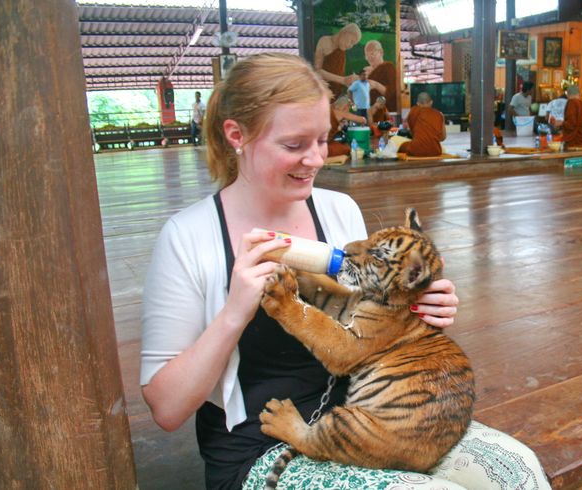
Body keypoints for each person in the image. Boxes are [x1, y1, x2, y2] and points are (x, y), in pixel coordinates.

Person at [141, 52, 550, 490]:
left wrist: (414, 305)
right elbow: (166, 408)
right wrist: (234, 313)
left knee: (518, 471)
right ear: (237, 135)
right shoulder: (188, 237)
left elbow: (363, 324)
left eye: (322, 139)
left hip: (367, 418)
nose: (316, 159)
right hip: (260, 446)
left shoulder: (338, 210)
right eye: (294, 145)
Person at [314, 23, 362, 98]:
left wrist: (350, 81)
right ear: (345, 32)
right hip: (322, 93)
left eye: (353, 44)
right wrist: (343, 80)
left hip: (337, 94)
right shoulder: (325, 41)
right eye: (351, 41)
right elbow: (317, 72)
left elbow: (339, 75)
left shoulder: (341, 50)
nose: (350, 46)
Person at [398, 92, 446, 157]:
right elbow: (443, 138)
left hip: (416, 150)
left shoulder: (413, 111)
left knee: (401, 146)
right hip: (435, 151)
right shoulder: (439, 115)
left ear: (418, 103)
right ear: (431, 102)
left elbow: (412, 134)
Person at [363, 39, 397, 113]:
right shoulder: (368, 72)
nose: (369, 58)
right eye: (367, 55)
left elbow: (393, 93)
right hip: (370, 113)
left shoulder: (388, 67)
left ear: (381, 52)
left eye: (372, 54)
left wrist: (376, 85)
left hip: (386, 112)